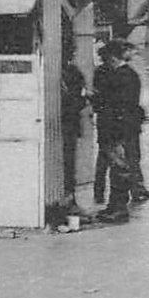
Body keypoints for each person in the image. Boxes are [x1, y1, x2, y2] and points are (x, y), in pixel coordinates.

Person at [90, 38, 141, 222]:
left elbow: (108, 103)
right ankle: (115, 205)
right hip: (122, 127)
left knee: (118, 166)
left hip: (113, 128)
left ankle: (119, 208)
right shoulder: (129, 75)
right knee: (118, 166)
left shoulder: (117, 76)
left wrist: (95, 100)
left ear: (112, 57)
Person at [59, 38, 89, 210]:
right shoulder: (74, 72)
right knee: (69, 163)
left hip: (63, 123)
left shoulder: (58, 72)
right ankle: (70, 199)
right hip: (71, 122)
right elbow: (81, 98)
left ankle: (67, 198)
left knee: (68, 162)